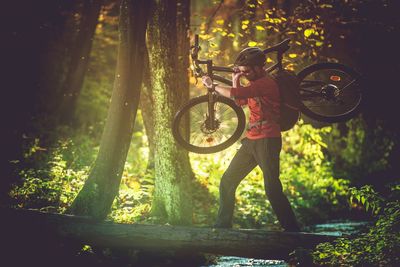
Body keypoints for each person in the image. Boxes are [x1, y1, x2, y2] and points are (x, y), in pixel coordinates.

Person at [201, 47, 300, 232]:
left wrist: (212, 85)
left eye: (247, 71)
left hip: (267, 140)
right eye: (243, 70)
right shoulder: (254, 85)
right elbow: (240, 101)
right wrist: (236, 77)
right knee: (228, 181)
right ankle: (222, 227)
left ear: (259, 68)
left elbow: (236, 94)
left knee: (272, 188)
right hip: (251, 140)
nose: (245, 74)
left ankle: (292, 230)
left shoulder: (266, 83)